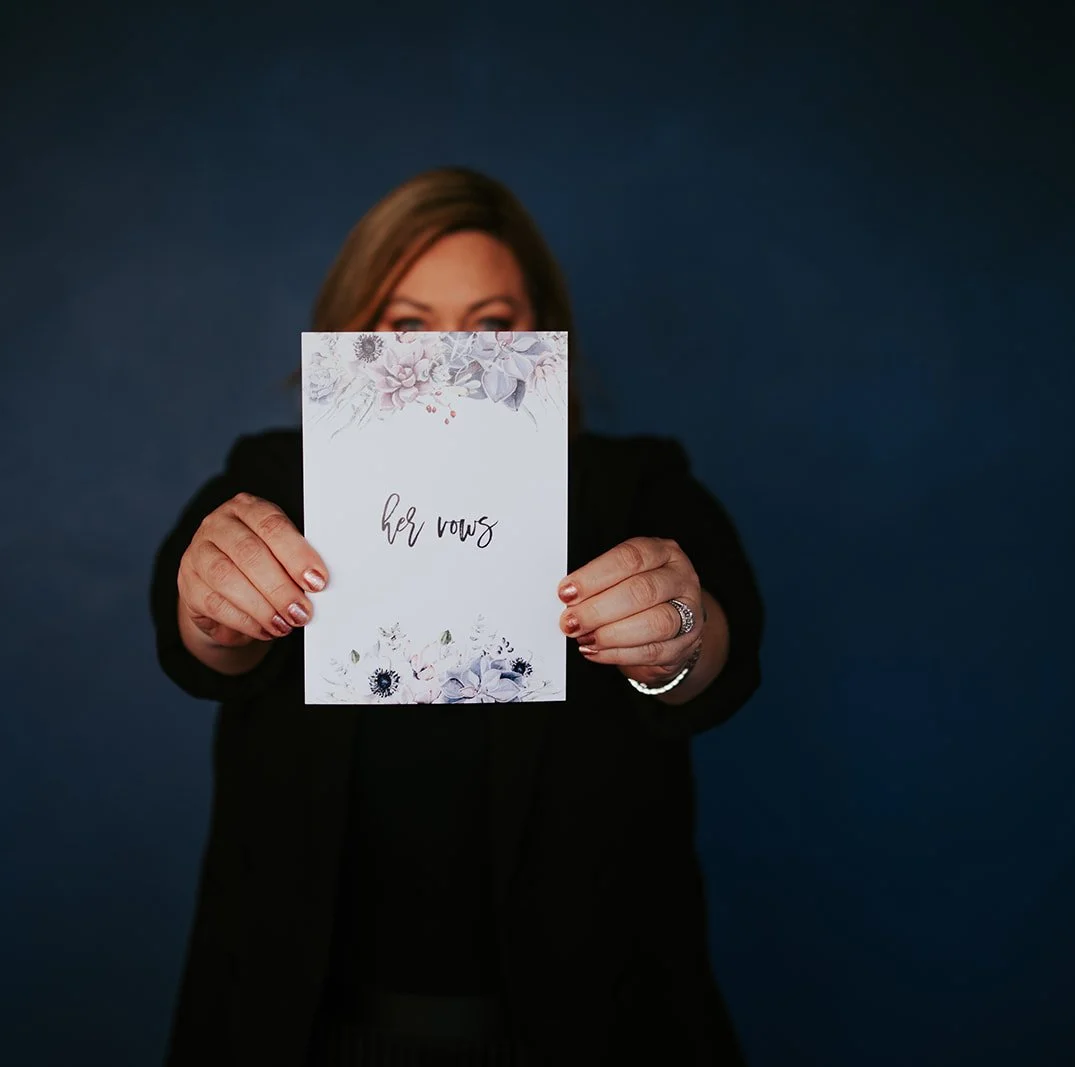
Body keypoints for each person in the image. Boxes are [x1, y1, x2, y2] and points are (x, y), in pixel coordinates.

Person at [151, 166, 765, 1066]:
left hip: (596, 1030)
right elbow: (198, 640)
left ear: (542, 338)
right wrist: (212, 604)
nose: (448, 362)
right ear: (349, 332)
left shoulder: (634, 485)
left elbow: (722, 646)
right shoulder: (276, 481)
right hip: (300, 1030)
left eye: (492, 325)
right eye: (407, 326)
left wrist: (677, 636)